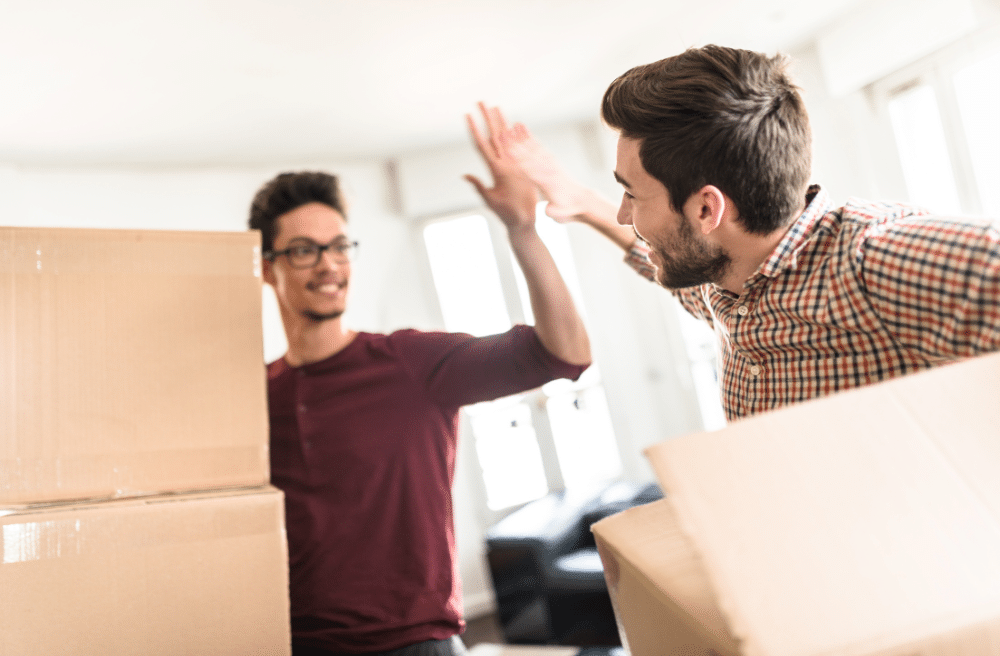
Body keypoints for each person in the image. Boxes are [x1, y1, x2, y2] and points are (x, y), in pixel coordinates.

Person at [481, 44, 1000, 420]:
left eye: (632, 195)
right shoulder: (728, 283)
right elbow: (675, 266)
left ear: (708, 209)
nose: (625, 215)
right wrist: (579, 201)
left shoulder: (872, 257)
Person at [248, 105, 590, 655]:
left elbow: (565, 354)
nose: (329, 265)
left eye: (339, 245)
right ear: (267, 266)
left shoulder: (412, 364)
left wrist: (523, 229)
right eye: (304, 250)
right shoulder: (252, 395)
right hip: (299, 644)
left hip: (417, 643)